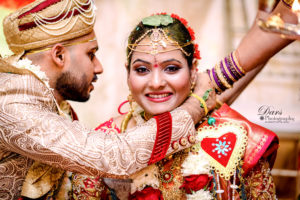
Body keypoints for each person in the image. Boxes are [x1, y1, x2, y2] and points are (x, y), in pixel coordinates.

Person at [69, 1, 298, 199]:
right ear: (127, 74)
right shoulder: (105, 142)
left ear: (193, 71)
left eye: (171, 68)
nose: (156, 82)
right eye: (142, 70)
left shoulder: (237, 141)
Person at [0, 0, 217, 199]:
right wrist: (195, 106)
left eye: (171, 68)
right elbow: (113, 156)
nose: (99, 67)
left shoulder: (39, 94)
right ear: (59, 56)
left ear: (193, 71)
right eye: (91, 54)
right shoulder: (13, 102)